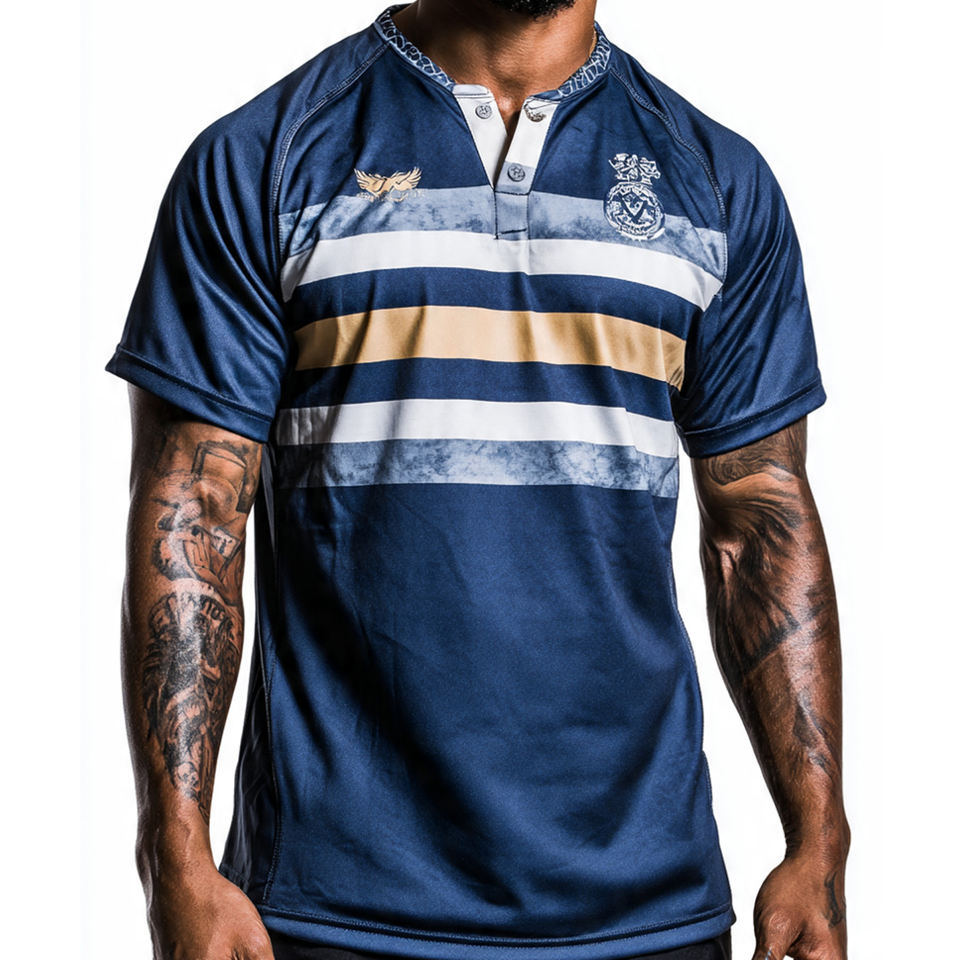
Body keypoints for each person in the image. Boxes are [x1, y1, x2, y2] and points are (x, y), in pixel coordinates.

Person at [105, 2, 851, 959]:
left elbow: (760, 520)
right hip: (334, 908)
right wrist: (174, 858)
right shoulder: (264, 158)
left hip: (646, 906)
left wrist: (818, 841)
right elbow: (195, 512)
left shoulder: (715, 182)